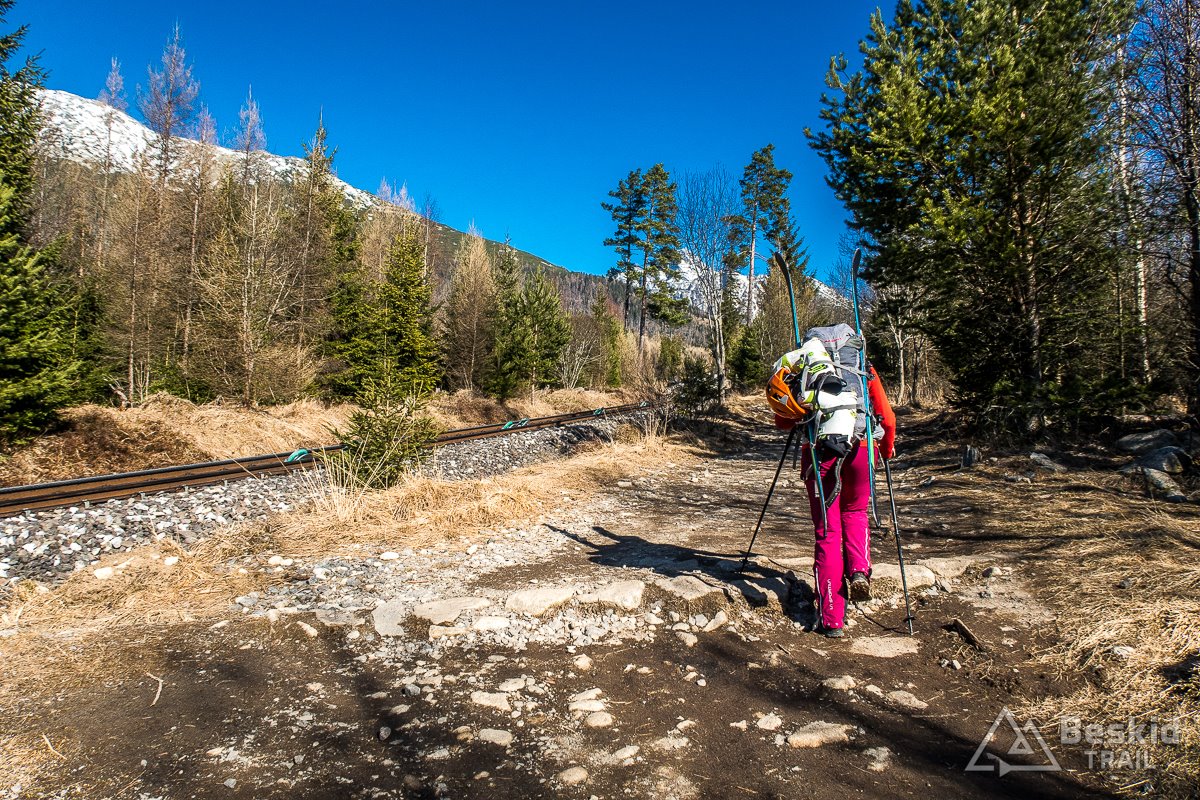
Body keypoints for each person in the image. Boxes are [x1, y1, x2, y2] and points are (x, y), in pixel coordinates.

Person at [769, 327, 896, 638]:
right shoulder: (861, 366)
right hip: (862, 448)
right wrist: (885, 449)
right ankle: (859, 571)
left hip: (820, 452)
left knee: (827, 531)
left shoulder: (807, 368)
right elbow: (888, 417)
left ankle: (831, 618)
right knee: (855, 512)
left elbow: (783, 419)